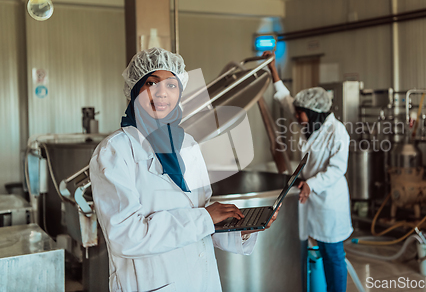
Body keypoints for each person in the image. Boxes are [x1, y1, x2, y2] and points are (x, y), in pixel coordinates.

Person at [89, 47, 279, 292]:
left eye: (171, 85)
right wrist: (204, 218)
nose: (162, 93)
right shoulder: (115, 152)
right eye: (151, 83)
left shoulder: (187, 144)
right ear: (136, 91)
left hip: (202, 281)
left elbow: (204, 214)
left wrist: (242, 228)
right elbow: (126, 237)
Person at [263, 51, 353, 292]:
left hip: (327, 201)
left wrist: (312, 183)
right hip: (308, 196)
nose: (296, 116)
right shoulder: (311, 123)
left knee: (332, 254)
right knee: (313, 249)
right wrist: (273, 70)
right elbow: (286, 99)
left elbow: (337, 169)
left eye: (300, 114)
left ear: (313, 112)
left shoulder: (337, 132)